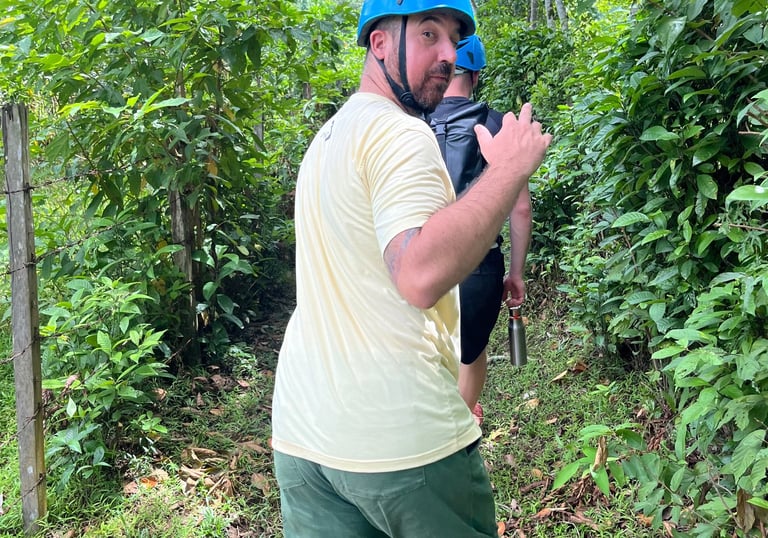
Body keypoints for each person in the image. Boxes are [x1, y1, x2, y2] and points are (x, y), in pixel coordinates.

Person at [270, 0, 552, 535]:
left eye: (453, 38)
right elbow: (418, 274)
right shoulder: (399, 134)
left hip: (303, 437)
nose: (448, 54)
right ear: (379, 43)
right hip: (400, 445)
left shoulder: (328, 136)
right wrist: (511, 170)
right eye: (429, 33)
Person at [429, 35, 532, 426]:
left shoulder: (411, 122)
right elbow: (519, 209)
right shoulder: (496, 124)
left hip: (421, 260)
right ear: (474, 75)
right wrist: (516, 273)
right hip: (479, 265)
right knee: (471, 353)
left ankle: (440, 431)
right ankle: (461, 423)